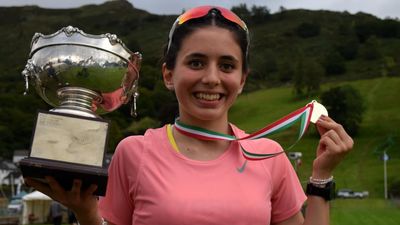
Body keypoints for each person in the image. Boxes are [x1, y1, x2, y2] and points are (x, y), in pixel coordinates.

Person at [25, 5, 353, 225]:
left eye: (227, 65)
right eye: (196, 62)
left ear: (242, 79)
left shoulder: (268, 155)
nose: (211, 78)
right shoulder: (135, 152)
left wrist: (321, 177)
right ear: (169, 75)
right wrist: (85, 213)